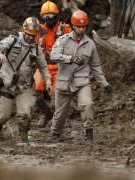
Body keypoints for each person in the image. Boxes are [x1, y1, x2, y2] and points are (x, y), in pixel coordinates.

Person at [50, 10, 113, 142]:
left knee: (87, 104)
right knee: (60, 112)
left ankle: (89, 134)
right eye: (79, 26)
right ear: (73, 26)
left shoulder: (90, 44)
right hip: (64, 82)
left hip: (82, 82)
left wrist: (104, 84)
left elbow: (96, 67)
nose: (81, 29)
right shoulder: (63, 40)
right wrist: (70, 58)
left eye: (84, 26)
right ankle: (55, 133)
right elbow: (53, 56)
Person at [0, 17, 52, 142]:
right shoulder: (12, 41)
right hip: (7, 84)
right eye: (29, 34)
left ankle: (23, 137)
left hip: (24, 86)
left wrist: (48, 81)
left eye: (33, 35)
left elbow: (44, 67)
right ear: (24, 31)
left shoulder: (36, 49)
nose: (31, 37)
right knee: (4, 115)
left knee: (25, 114)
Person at [34, 1, 72, 128]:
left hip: (60, 67)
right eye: (45, 17)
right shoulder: (38, 31)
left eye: (50, 16)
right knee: (36, 90)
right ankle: (46, 113)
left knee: (57, 94)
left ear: (57, 16)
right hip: (43, 67)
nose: (48, 19)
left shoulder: (66, 29)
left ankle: (57, 120)